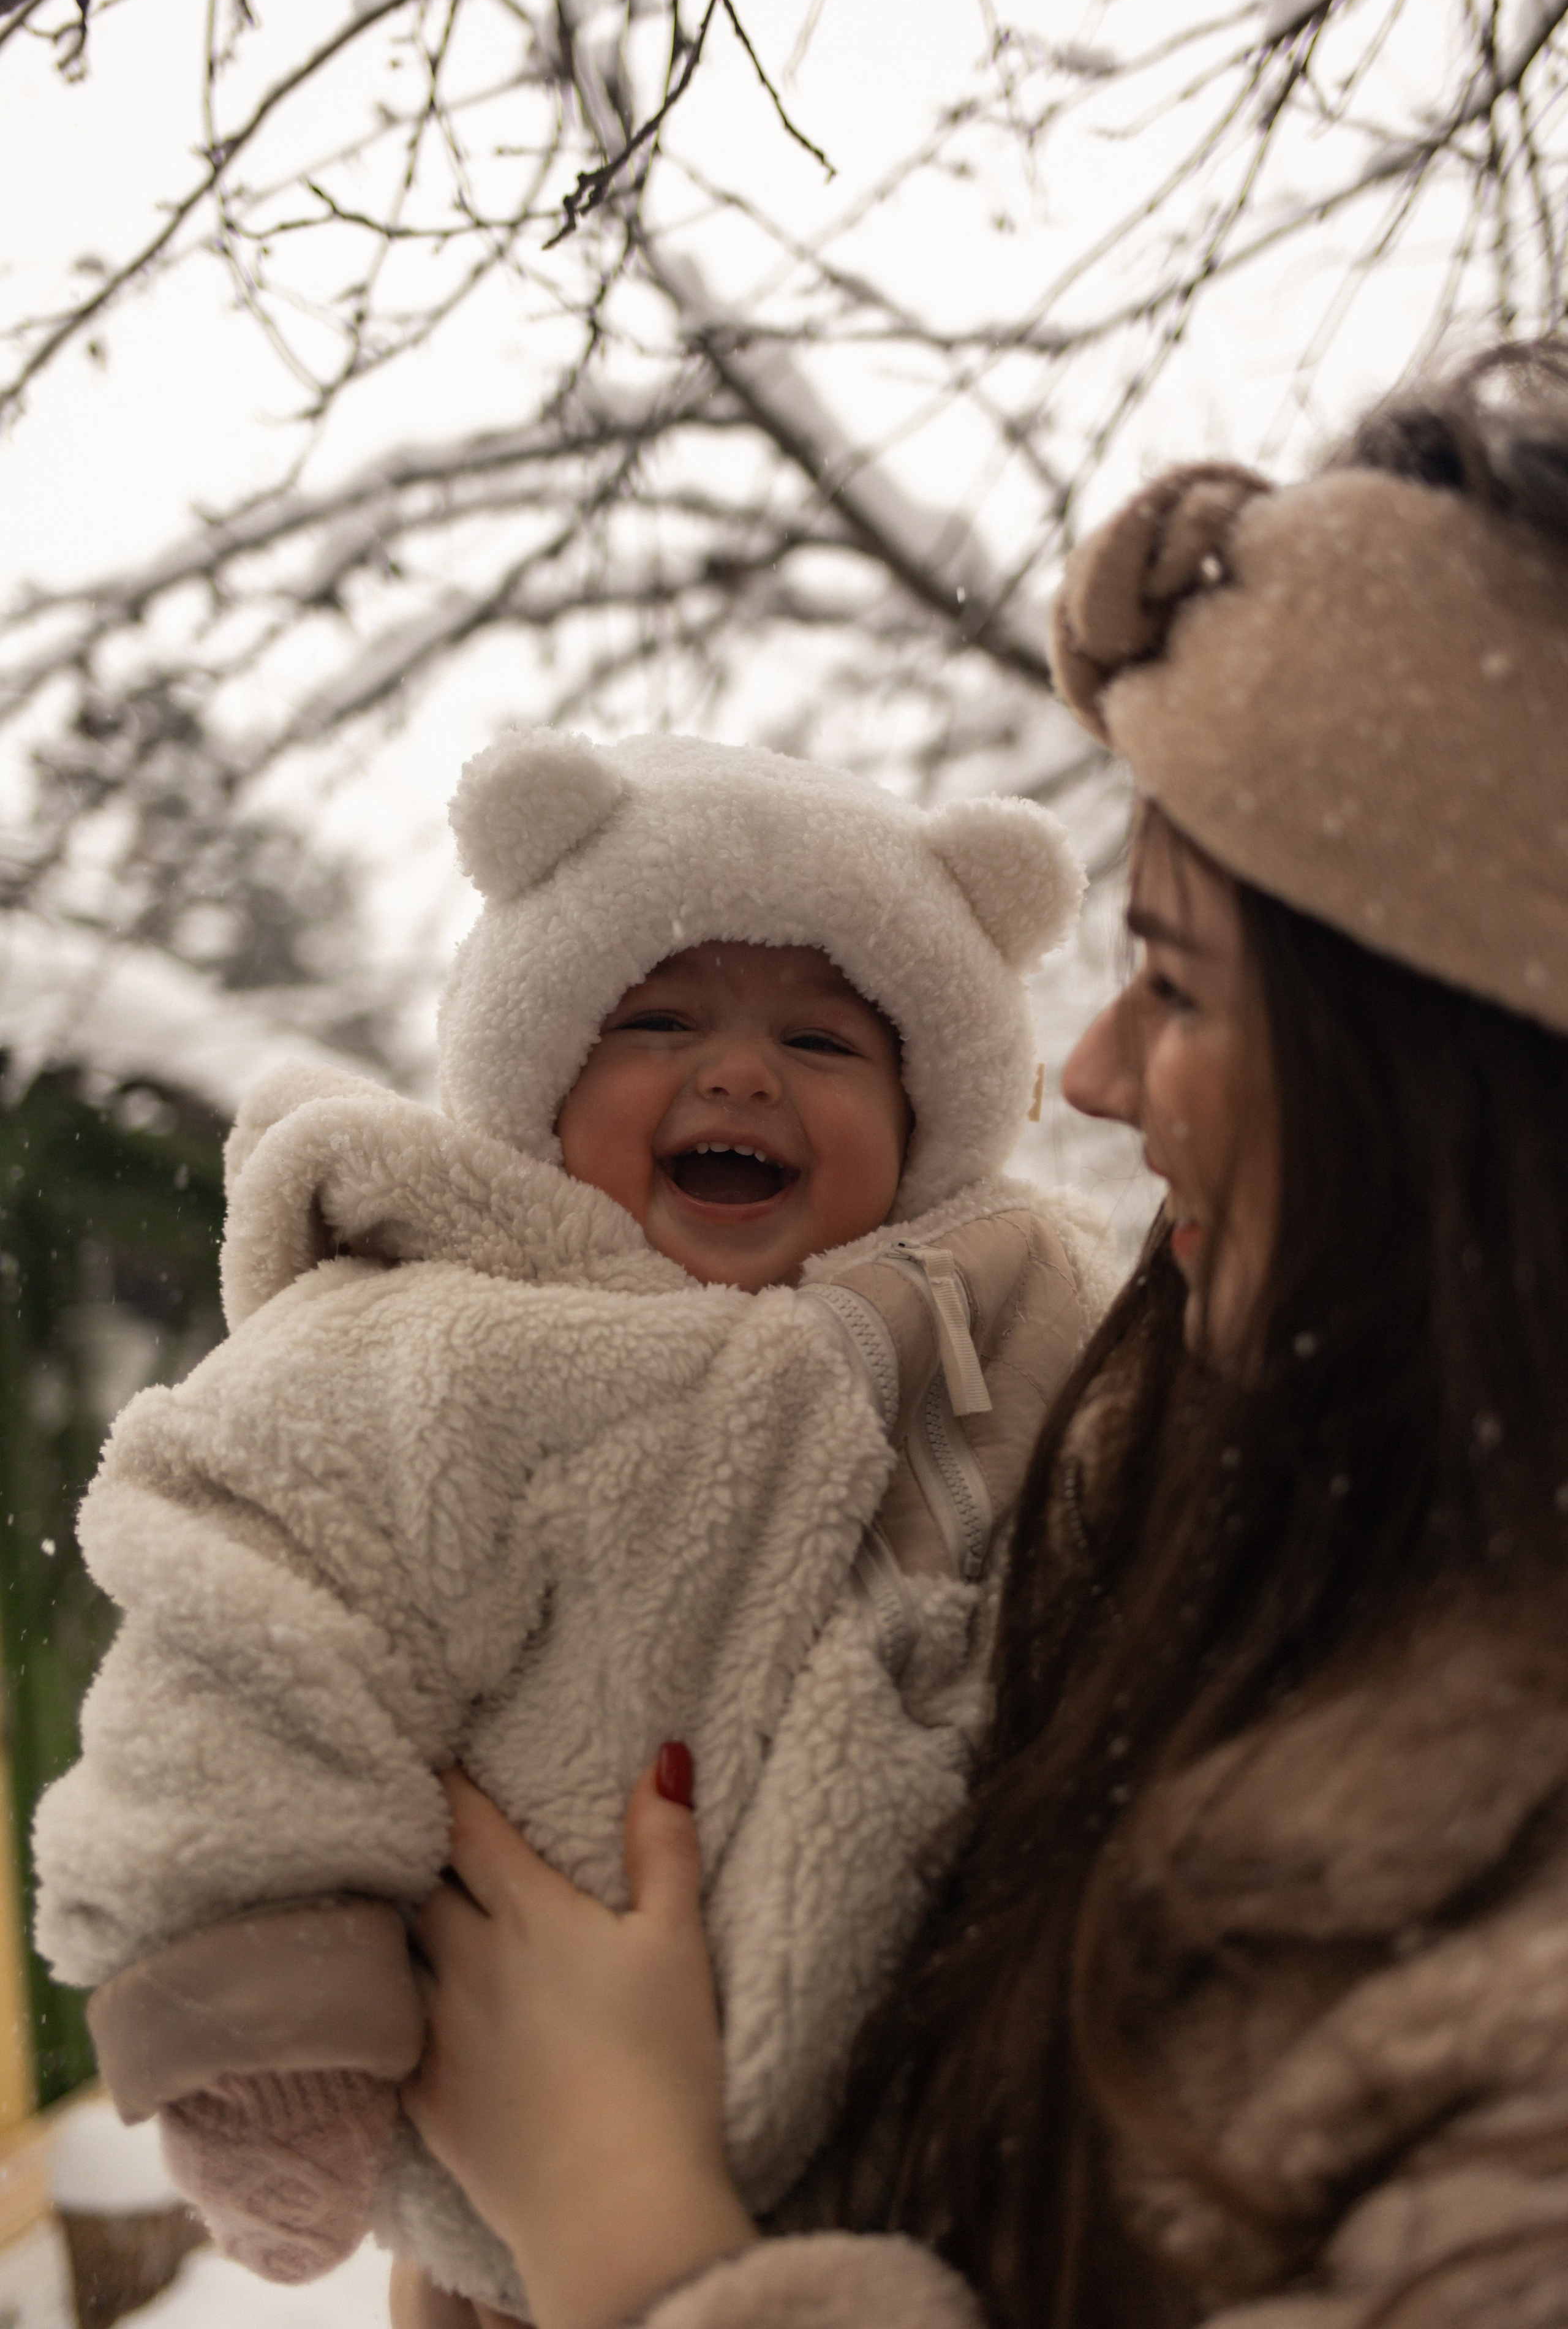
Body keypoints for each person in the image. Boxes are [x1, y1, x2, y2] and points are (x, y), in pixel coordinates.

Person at [397, 341, 1568, 2329]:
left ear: (1451, 1100)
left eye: (1181, 993)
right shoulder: (1130, 1505)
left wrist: (623, 2219)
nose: (1092, 1079)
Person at [32, 730, 1115, 2323]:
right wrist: (267, 2022)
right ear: (533, 1077)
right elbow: (243, 1630)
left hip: (931, 2201)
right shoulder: (428, 1343)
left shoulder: (1005, 1336)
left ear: (930, 1118)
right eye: (659, 1019)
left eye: (824, 1042)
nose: (737, 1073)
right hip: (515, 2202)